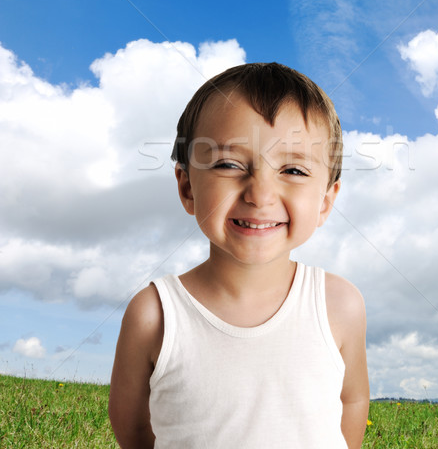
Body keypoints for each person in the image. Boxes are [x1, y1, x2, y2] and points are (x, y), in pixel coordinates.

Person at [109, 62, 370, 448]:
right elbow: (131, 426)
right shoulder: (154, 314)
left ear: (325, 202)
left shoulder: (339, 305)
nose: (260, 194)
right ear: (187, 188)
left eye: (294, 170)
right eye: (228, 164)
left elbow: (352, 400)